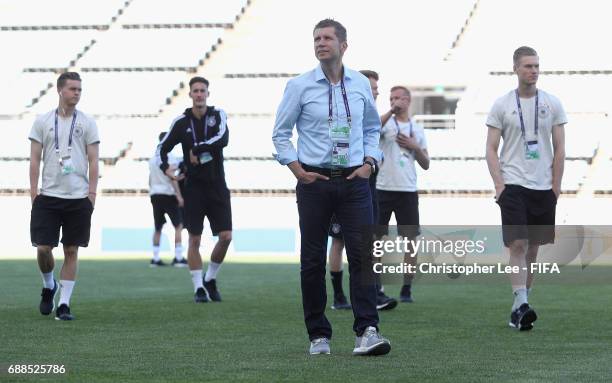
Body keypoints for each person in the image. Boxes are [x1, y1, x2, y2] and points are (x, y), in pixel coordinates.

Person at [272, 19, 391, 356]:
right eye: (316, 38)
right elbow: (281, 134)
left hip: (355, 181)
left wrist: (370, 163)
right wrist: (297, 170)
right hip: (314, 181)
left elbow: (371, 129)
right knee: (311, 260)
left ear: (343, 45)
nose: (320, 43)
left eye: (327, 38)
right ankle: (318, 335)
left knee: (363, 256)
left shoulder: (360, 85)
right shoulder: (299, 86)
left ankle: (367, 330)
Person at [485, 46, 566, 331]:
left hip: (544, 187)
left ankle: (520, 306)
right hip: (513, 185)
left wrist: (556, 187)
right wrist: (500, 185)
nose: (533, 71)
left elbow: (560, 149)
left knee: (532, 250)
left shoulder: (553, 103)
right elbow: (491, 149)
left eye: (536, 66)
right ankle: (520, 302)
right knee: (517, 245)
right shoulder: (502, 105)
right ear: (516, 69)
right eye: (528, 66)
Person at [29, 72, 99, 321]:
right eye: (72, 89)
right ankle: (49, 285)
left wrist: (91, 194)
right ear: (60, 90)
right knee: (44, 249)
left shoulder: (88, 122)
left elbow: (93, 160)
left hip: (79, 198)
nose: (77, 93)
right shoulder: (42, 121)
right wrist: (33, 192)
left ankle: (64, 305)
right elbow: (35, 159)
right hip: (48, 196)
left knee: (71, 250)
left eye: (79, 89)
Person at [327, 69, 397, 311]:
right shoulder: (347, 110)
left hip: (370, 186)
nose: (376, 91)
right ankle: (338, 296)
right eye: (372, 87)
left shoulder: (372, 117)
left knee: (372, 241)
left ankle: (374, 292)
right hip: (344, 181)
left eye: (377, 88)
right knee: (339, 242)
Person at [157, 76, 232, 303]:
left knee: (226, 237)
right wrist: (165, 168)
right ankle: (199, 287)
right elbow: (162, 147)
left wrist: (198, 148)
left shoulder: (217, 115)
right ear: (190, 94)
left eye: (203, 91)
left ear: (208, 94)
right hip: (194, 189)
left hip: (217, 185)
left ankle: (210, 278)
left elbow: (223, 138)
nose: (199, 94)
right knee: (194, 240)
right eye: (195, 91)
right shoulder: (181, 122)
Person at [376, 85, 430, 303]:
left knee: (410, 241)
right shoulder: (385, 122)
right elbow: (370, 128)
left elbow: (426, 164)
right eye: (391, 98)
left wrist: (415, 146)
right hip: (382, 188)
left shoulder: (417, 128)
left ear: (408, 101)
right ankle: (376, 286)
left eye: (398, 98)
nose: (394, 101)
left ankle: (406, 287)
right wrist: (390, 112)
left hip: (407, 191)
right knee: (376, 240)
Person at [148, 132, 186, 267]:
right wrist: (179, 195)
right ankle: (178, 257)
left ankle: (155, 258)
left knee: (158, 227)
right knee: (178, 225)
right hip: (168, 194)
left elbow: (150, 179)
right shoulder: (170, 157)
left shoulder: (153, 159)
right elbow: (172, 177)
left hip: (155, 194)